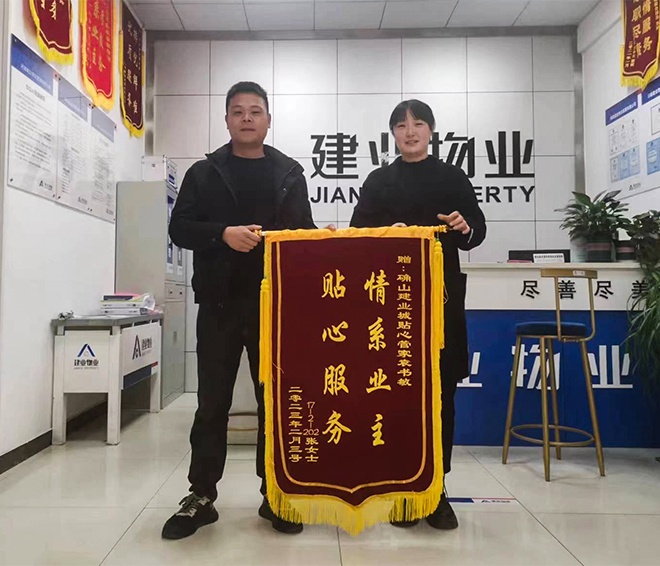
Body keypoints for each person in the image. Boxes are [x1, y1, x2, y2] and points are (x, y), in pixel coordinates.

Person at [163, 81, 319, 540]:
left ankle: (276, 493)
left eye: (255, 111)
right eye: (238, 111)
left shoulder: (289, 173)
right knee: (212, 402)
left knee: (276, 402)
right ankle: (201, 495)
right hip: (219, 303)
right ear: (227, 119)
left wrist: (321, 239)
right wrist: (223, 234)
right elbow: (180, 228)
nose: (247, 118)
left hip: (276, 306)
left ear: (269, 120)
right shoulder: (204, 172)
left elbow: (303, 234)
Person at [350, 99, 486, 530]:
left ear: (431, 131)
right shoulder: (378, 181)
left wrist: (464, 226)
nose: (410, 132)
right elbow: (356, 235)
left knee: (441, 395)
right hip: (389, 307)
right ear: (392, 133)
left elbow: (476, 231)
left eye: (419, 124)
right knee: (396, 396)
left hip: (440, 304)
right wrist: (382, 235)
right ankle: (402, 488)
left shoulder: (451, 177)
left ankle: (436, 489)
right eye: (401, 125)